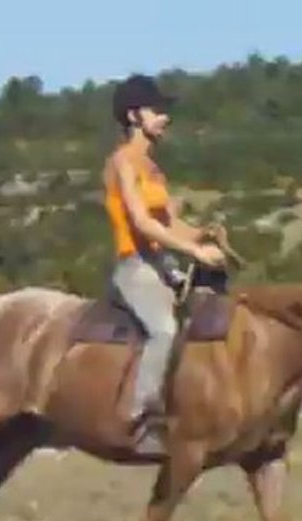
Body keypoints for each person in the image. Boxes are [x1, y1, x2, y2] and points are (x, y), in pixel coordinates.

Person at [103, 73, 226, 448]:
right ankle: (141, 420)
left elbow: (168, 222)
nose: (165, 118)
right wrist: (191, 251)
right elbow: (141, 222)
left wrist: (202, 235)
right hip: (135, 266)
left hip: (160, 263)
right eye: (157, 111)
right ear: (134, 116)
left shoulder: (154, 168)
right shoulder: (123, 162)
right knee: (165, 331)